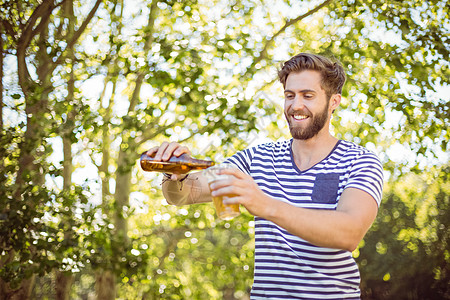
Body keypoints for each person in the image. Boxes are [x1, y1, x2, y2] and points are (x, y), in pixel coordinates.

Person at [147, 53, 384, 299]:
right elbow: (185, 195)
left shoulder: (359, 161)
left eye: (308, 96)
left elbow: (349, 233)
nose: (296, 106)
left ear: (334, 101)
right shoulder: (258, 158)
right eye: (289, 96)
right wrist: (176, 173)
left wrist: (265, 205)